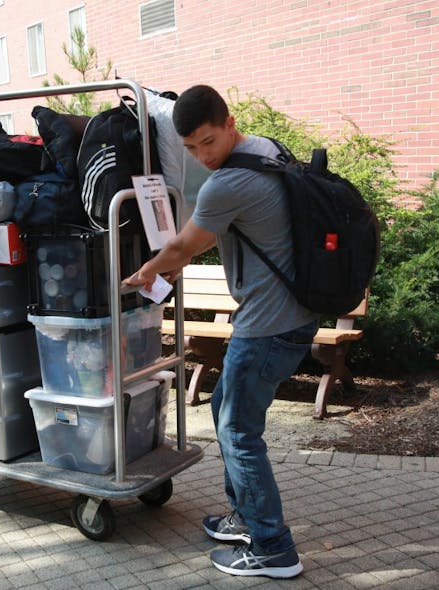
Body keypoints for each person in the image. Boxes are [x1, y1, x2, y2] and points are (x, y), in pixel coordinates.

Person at [123, 85, 318, 579]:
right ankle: (244, 518)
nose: (201, 156)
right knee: (223, 408)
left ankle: (273, 548)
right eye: (190, 149)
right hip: (292, 314)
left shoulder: (228, 183)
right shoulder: (268, 150)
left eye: (208, 142)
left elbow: (184, 247)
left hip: (267, 328)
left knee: (237, 431)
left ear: (229, 123)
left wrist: (147, 273)